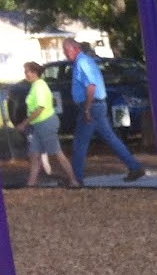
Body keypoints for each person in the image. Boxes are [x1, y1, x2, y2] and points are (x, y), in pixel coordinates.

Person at [63, 37, 146, 185]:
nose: (65, 53)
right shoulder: (86, 61)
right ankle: (135, 167)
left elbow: (91, 86)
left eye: (66, 50)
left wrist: (87, 109)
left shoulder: (82, 62)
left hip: (91, 106)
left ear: (75, 48)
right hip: (97, 106)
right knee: (110, 138)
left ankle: (76, 178)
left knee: (80, 143)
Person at [19, 61, 81, 189]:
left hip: (45, 123)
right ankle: (31, 183)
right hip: (39, 125)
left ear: (35, 73)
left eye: (28, 72)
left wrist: (25, 122)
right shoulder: (36, 86)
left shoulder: (39, 87)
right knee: (34, 155)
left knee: (57, 153)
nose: (26, 74)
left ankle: (73, 180)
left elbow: (40, 108)